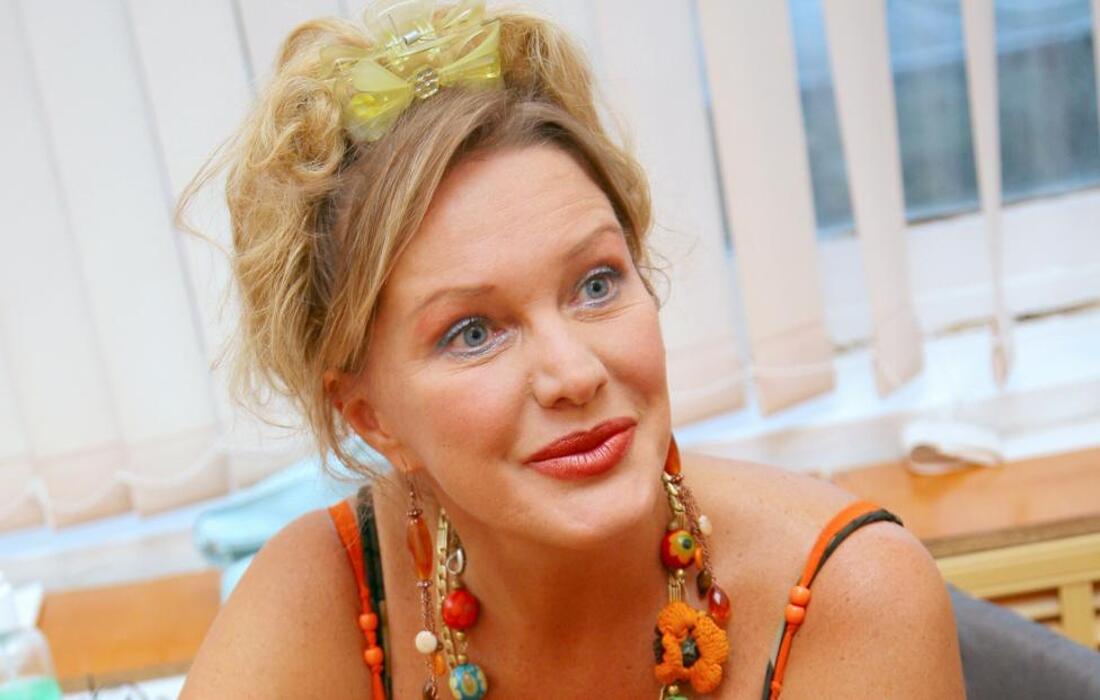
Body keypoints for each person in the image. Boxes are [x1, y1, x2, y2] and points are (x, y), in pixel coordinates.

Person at [177, 1, 965, 697]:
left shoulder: (851, 594)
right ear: (371, 418)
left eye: (595, 284)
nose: (574, 374)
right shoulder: (324, 595)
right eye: (473, 332)